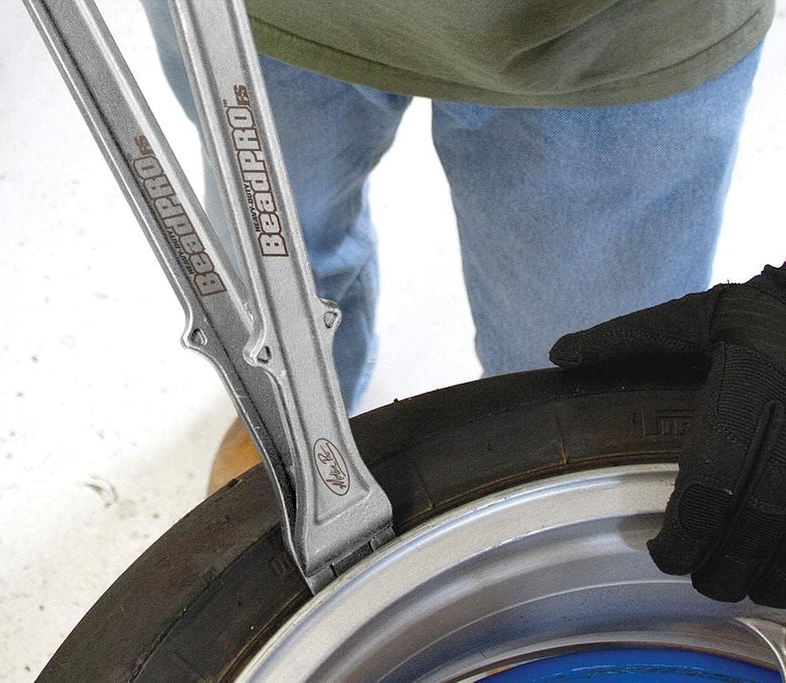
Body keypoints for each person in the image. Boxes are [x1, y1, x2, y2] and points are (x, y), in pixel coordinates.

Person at [141, 1, 786, 605]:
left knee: (581, 387)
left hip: (612, 41)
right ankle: (305, 441)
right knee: (275, 289)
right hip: (253, 20)